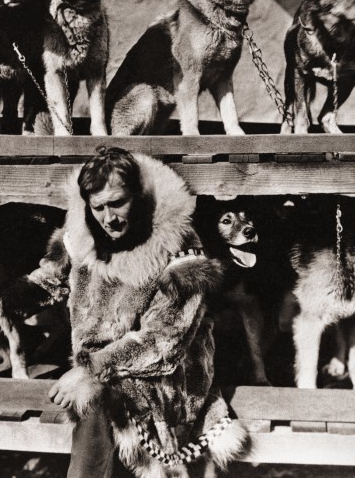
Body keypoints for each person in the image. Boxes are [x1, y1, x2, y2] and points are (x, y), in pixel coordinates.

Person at [20, 146, 248, 478]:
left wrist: (91, 370)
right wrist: (6, 297)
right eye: (98, 207)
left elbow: (164, 343)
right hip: (106, 372)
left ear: (139, 195)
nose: (108, 218)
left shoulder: (178, 243)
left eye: (117, 203)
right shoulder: (84, 232)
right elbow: (53, 275)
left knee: (93, 398)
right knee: (94, 402)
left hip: (168, 379)